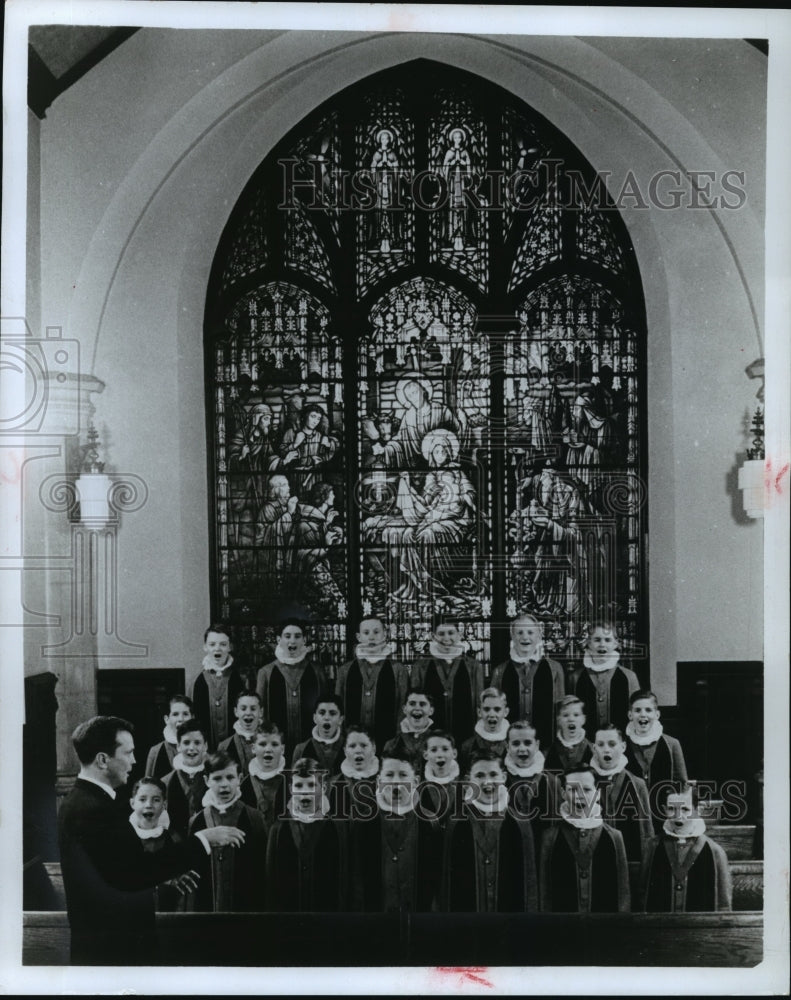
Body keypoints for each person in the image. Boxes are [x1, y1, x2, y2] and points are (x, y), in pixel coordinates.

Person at [57, 716, 244, 965]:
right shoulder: (93, 809)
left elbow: (116, 868)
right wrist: (203, 839)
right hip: (112, 952)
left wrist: (164, 874)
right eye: (129, 753)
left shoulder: (86, 801)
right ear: (103, 760)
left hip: (109, 946)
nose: (134, 761)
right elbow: (133, 874)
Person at [442, 751, 539, 912]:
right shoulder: (456, 823)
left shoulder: (520, 822)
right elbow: (447, 883)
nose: (487, 781)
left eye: (493, 774)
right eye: (479, 775)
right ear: (468, 781)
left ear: (504, 777)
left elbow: (530, 882)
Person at [347, 753, 442, 912]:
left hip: (417, 919)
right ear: (379, 782)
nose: (396, 782)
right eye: (389, 775)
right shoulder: (363, 822)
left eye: (403, 775)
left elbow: (437, 879)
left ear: (416, 782)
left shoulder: (430, 823)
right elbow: (355, 878)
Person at [538, 765, 630, 913]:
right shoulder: (550, 837)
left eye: (587, 790)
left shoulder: (614, 837)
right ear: (563, 793)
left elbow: (623, 895)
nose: (579, 795)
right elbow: (544, 893)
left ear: (598, 794)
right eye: (573, 789)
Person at [188, 752, 268, 912]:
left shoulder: (254, 818)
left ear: (239, 778)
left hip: (245, 911)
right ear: (206, 780)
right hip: (207, 909)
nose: (224, 785)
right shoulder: (196, 822)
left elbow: (261, 871)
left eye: (230, 777)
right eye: (217, 778)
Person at [266, 758, 348, 911]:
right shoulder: (278, 829)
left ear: (323, 788)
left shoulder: (337, 827)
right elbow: (271, 885)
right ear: (291, 789)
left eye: (311, 785)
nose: (305, 791)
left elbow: (344, 881)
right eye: (299, 785)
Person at [640, 784, 732, 912]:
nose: (678, 815)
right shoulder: (652, 847)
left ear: (697, 810)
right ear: (664, 809)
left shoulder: (715, 851)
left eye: (685, 809)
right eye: (671, 808)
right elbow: (642, 896)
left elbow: (724, 905)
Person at [589, 725, 653, 885]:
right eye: (601, 745)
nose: (606, 750)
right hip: (593, 865)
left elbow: (646, 832)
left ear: (623, 747)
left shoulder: (637, 784)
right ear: (594, 748)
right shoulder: (585, 783)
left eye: (612, 744)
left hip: (629, 866)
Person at [490, 614, 565, 749]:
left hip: (546, 747)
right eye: (520, 632)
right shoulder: (500, 671)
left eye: (530, 632)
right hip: (510, 748)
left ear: (538, 636)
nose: (525, 637)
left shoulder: (554, 669)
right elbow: (493, 711)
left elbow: (561, 712)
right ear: (512, 636)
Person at [335, 616, 409, 750]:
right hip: (353, 743)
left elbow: (402, 709)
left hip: (388, 741)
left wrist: (397, 740)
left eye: (376, 632)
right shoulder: (345, 671)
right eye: (366, 633)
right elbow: (338, 708)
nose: (371, 637)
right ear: (358, 637)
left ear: (385, 635)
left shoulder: (398, 670)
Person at [256, 619, 330, 752]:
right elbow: (260, 715)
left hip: (312, 743)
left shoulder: (317, 671)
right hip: (275, 747)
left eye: (297, 636)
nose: (292, 640)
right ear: (279, 639)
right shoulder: (266, 673)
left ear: (304, 640)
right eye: (287, 636)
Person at [410, 619, 484, 744]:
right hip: (429, 738)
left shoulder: (473, 666)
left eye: (451, 633)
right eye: (441, 634)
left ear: (459, 635)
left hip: (466, 736)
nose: (446, 638)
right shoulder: (420, 666)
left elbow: (479, 704)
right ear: (433, 636)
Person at [624, 689, 688, 825]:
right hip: (631, 816)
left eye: (648, 710)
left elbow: (682, 785)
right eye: (637, 710)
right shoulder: (622, 745)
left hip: (663, 816)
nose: (643, 715)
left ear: (657, 714)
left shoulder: (672, 744)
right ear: (630, 715)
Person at [569, 621, 640, 734]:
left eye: (607, 640)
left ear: (615, 644)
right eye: (597, 640)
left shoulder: (629, 677)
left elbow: (637, 714)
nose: (602, 644)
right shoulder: (575, 678)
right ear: (588, 643)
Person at [502, 720, 560, 845]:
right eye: (516, 743)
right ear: (507, 747)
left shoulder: (552, 782)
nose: (522, 749)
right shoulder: (500, 780)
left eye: (528, 743)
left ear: (537, 745)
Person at [191, 625, 248, 749]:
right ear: (205, 647)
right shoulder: (198, 681)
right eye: (212, 644)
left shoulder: (240, 679)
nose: (217, 648)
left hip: (236, 748)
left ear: (229, 647)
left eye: (223, 644)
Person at [162, 720, 209, 840]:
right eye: (186, 743)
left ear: (205, 746)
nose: (191, 748)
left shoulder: (214, 778)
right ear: (178, 746)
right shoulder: (165, 782)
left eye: (197, 743)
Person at [279, 401, 338, 496]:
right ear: (304, 416)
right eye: (313, 416)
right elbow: (281, 453)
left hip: (315, 477)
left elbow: (329, 455)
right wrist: (294, 445)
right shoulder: (291, 433)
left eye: (318, 419)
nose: (315, 421)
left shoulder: (320, 436)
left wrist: (327, 448)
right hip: (295, 477)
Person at [240, 723, 289, 836]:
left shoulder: (292, 783)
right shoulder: (244, 786)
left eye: (274, 744)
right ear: (253, 748)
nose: (268, 749)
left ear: (282, 749)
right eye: (262, 744)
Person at [329, 726, 380, 820]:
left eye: (364, 745)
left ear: (373, 749)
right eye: (352, 746)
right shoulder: (332, 784)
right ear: (345, 751)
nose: (358, 751)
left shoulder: (386, 780)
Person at [292, 696, 345, 778]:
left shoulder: (350, 747)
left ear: (340, 719)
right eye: (322, 713)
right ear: (315, 718)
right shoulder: (300, 749)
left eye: (332, 713)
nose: (326, 717)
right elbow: (295, 784)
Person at [143, 695, 193, 779]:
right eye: (175, 714)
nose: (181, 719)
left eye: (185, 714)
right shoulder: (155, 751)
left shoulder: (201, 749)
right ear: (167, 719)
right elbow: (148, 788)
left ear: (192, 717)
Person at [382, 688, 436, 766]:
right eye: (412, 704)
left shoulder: (440, 742)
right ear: (405, 709)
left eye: (422, 704)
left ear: (431, 710)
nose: (417, 708)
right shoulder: (391, 744)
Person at [460, 687, 509, 771]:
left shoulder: (512, 744)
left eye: (497, 709)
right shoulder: (467, 746)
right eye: (486, 709)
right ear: (479, 712)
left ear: (505, 712)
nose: (492, 714)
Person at [217, 691, 263, 777]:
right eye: (243, 708)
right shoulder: (224, 746)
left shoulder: (271, 742)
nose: (248, 713)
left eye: (253, 709)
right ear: (236, 712)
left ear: (261, 712)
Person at [544, 695, 592, 774]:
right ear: (558, 720)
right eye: (565, 715)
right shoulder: (548, 753)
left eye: (576, 715)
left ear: (583, 719)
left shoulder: (593, 751)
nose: (571, 719)